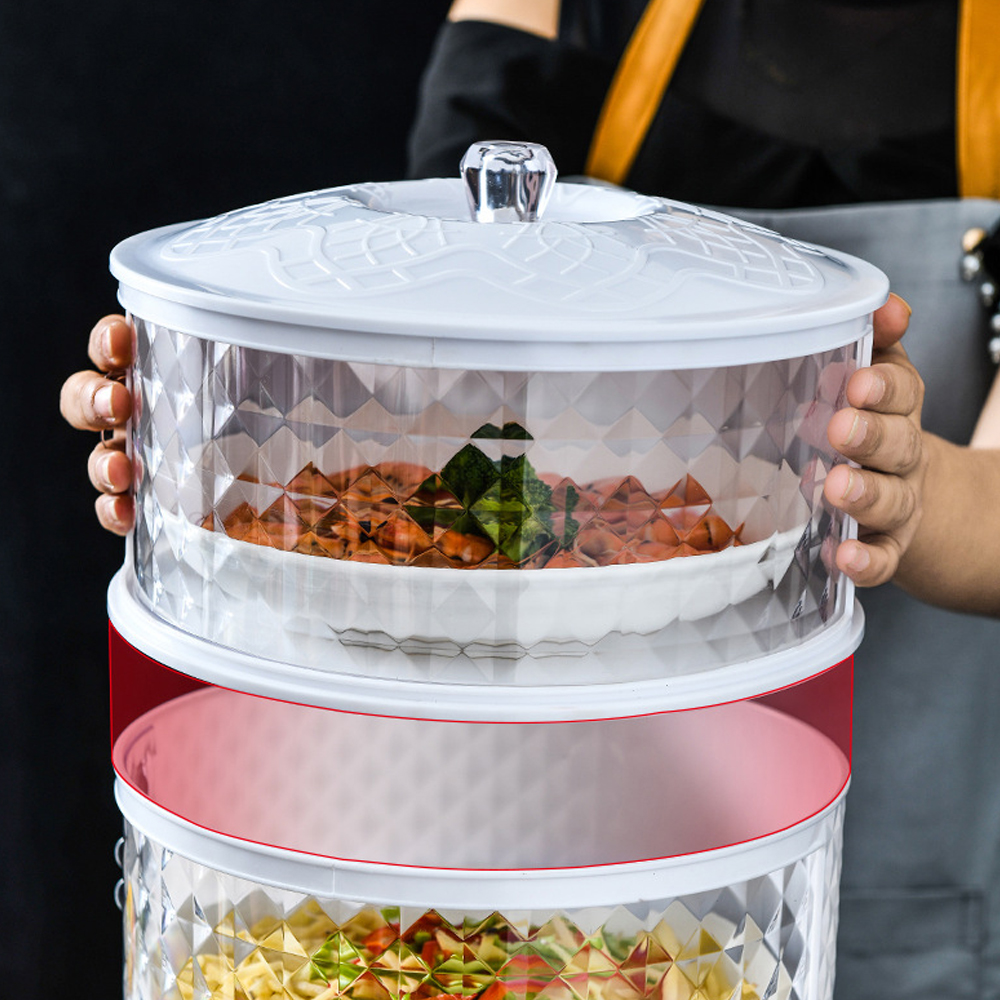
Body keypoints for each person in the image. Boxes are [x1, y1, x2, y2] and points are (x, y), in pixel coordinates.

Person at [59, 1, 1000, 996]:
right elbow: (422, 353)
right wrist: (201, 411)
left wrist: (909, 490)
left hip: (840, 824)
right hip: (459, 808)